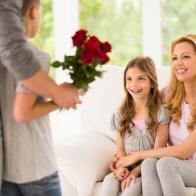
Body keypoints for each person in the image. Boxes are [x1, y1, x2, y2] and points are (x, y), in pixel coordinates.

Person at [0, 0, 80, 189]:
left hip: (8, 170)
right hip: (37, 165)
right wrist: (59, 101)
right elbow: (22, 113)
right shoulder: (36, 57)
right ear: (34, 12)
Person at [116, 35, 196, 196]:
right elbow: (138, 103)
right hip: (176, 164)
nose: (178, 63)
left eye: (186, 57)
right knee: (150, 163)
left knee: (165, 164)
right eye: (174, 58)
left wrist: (137, 155)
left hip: (184, 164)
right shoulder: (169, 94)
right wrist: (120, 157)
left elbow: (183, 151)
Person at [100, 56, 170, 196]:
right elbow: (120, 148)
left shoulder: (160, 114)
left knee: (130, 190)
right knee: (108, 182)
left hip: (146, 171)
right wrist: (122, 168)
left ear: (151, 82)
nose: (134, 84)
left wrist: (134, 172)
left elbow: (157, 152)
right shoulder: (120, 113)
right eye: (129, 79)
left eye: (141, 78)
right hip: (125, 166)